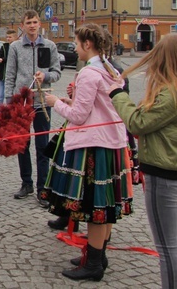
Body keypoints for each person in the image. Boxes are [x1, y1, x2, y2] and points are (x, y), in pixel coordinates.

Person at [41, 23, 132, 281]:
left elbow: (79, 117)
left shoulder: (90, 73)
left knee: (96, 206)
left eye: (77, 43)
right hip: (111, 142)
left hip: (94, 145)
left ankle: (93, 264)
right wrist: (73, 100)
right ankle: (98, 254)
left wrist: (56, 102)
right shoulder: (110, 69)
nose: (76, 47)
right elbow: (99, 108)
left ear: (87, 44)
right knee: (106, 204)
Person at [109, 34, 177, 288]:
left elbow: (137, 123)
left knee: (167, 246)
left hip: (165, 174)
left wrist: (118, 93)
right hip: (167, 170)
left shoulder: (171, 93)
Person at [4, 10, 61, 205]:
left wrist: (45, 76)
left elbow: (56, 72)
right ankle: (26, 182)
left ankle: (42, 188)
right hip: (22, 102)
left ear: (39, 24)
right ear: (23, 25)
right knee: (22, 144)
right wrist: (8, 102)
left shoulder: (49, 46)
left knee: (42, 144)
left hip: (42, 102)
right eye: (28, 22)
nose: (32, 25)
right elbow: (9, 75)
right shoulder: (15, 47)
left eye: (35, 22)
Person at [0, 29, 18, 116]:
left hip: (13, 77)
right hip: (3, 75)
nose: (8, 39)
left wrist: (3, 59)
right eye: (7, 37)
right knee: (0, 97)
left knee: (10, 98)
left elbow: (13, 59)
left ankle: (11, 114)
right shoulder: (4, 46)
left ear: (15, 38)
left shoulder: (17, 47)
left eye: (10, 37)